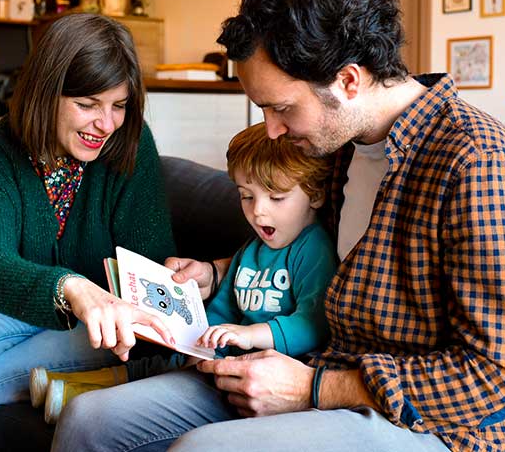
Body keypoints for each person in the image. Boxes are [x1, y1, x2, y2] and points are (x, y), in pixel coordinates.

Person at [51, 0, 505, 452]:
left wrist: (313, 389)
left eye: (281, 107)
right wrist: (216, 272)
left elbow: (497, 376)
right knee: (90, 418)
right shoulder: (336, 150)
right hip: (314, 370)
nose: (271, 130)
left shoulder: (481, 164)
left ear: (349, 81)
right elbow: (306, 256)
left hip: (429, 426)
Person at [0, 13, 177, 452]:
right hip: (19, 308)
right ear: (47, 92)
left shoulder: (132, 145)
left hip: (104, 325)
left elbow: (150, 265)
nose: (107, 124)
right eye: (88, 104)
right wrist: (70, 287)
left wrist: (103, 301)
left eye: (118, 105)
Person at [30, 122, 339, 424]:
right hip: (224, 359)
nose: (258, 211)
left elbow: (312, 324)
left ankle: (75, 394)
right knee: (161, 362)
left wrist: (246, 335)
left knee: (167, 372)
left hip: (263, 375)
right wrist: (203, 341)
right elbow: (226, 305)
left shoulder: (312, 249)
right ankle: (70, 386)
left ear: (314, 195)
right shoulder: (253, 249)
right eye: (247, 195)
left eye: (276, 198)